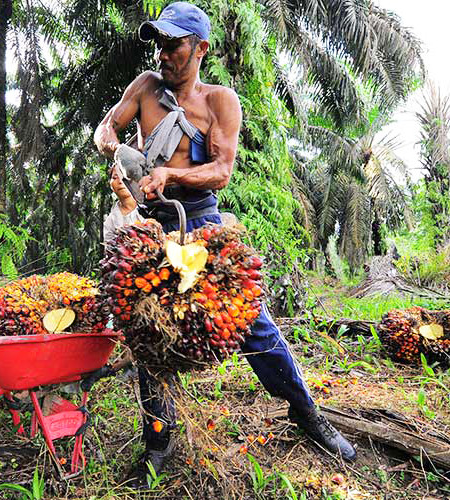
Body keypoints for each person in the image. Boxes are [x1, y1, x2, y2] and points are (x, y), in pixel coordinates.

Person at [93, 1, 356, 489]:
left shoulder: (219, 101)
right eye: (158, 45)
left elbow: (221, 171)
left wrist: (171, 171)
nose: (163, 54)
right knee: (149, 328)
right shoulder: (145, 88)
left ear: (200, 49)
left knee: (253, 325)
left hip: (201, 222)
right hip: (151, 226)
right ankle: (159, 437)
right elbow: (107, 124)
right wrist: (109, 139)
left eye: (173, 45)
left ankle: (308, 416)